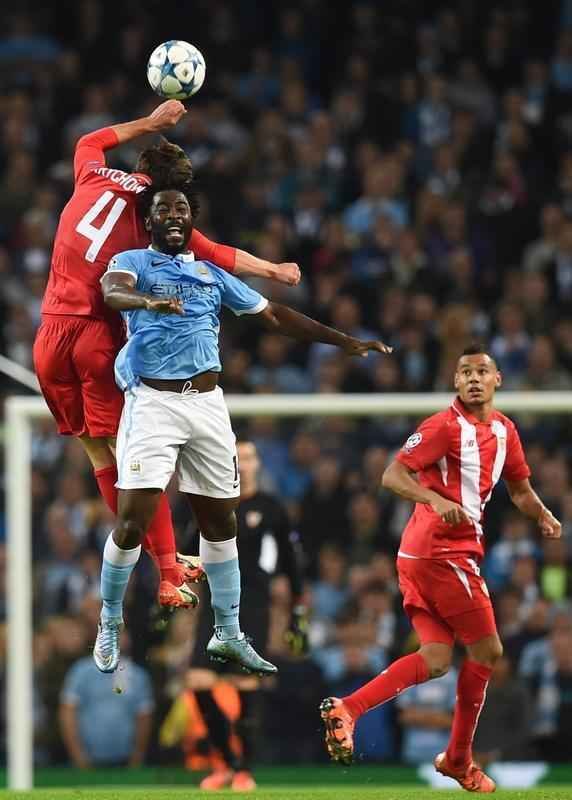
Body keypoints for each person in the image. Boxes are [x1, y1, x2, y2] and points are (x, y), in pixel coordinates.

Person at [93, 184, 390, 677]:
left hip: (207, 403)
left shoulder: (211, 274)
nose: (173, 214)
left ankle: (228, 632)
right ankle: (108, 620)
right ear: (149, 221)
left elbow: (273, 314)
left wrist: (344, 342)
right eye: (163, 209)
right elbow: (111, 291)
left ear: (192, 220)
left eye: (182, 208)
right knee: (132, 521)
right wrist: (149, 302)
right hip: (153, 402)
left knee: (221, 522)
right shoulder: (133, 262)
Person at [33, 99, 301, 610]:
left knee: (98, 456)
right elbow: (219, 255)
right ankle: (168, 570)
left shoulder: (92, 177)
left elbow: (88, 141)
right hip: (96, 339)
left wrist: (150, 123)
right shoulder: (152, 221)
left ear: (138, 166)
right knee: (135, 463)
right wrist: (275, 270)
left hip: (49, 334)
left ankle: (166, 564)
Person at [320, 344, 561, 793]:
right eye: (465, 372)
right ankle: (458, 759)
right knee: (488, 652)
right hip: (442, 553)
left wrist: (544, 515)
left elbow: (521, 491)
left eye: (481, 371)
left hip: (420, 557)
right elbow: (392, 475)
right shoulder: (443, 426)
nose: (473, 379)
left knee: (435, 659)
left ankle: (348, 708)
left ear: (497, 379)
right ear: (455, 382)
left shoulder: (506, 431)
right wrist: (433, 498)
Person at [189, 440, 308, 792]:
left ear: (258, 464)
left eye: (249, 457)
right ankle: (227, 761)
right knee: (198, 682)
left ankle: (243, 770)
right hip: (213, 604)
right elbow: (188, 551)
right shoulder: (211, 503)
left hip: (252, 604)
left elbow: (291, 561)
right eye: (236, 457)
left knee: (246, 686)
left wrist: (297, 611)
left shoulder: (271, 509)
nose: (242, 463)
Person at [59, 631, 154, 768]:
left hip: (126, 761)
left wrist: (138, 755)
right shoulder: (81, 670)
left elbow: (144, 717)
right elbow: (67, 712)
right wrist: (77, 754)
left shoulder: (138, 675)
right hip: (86, 759)